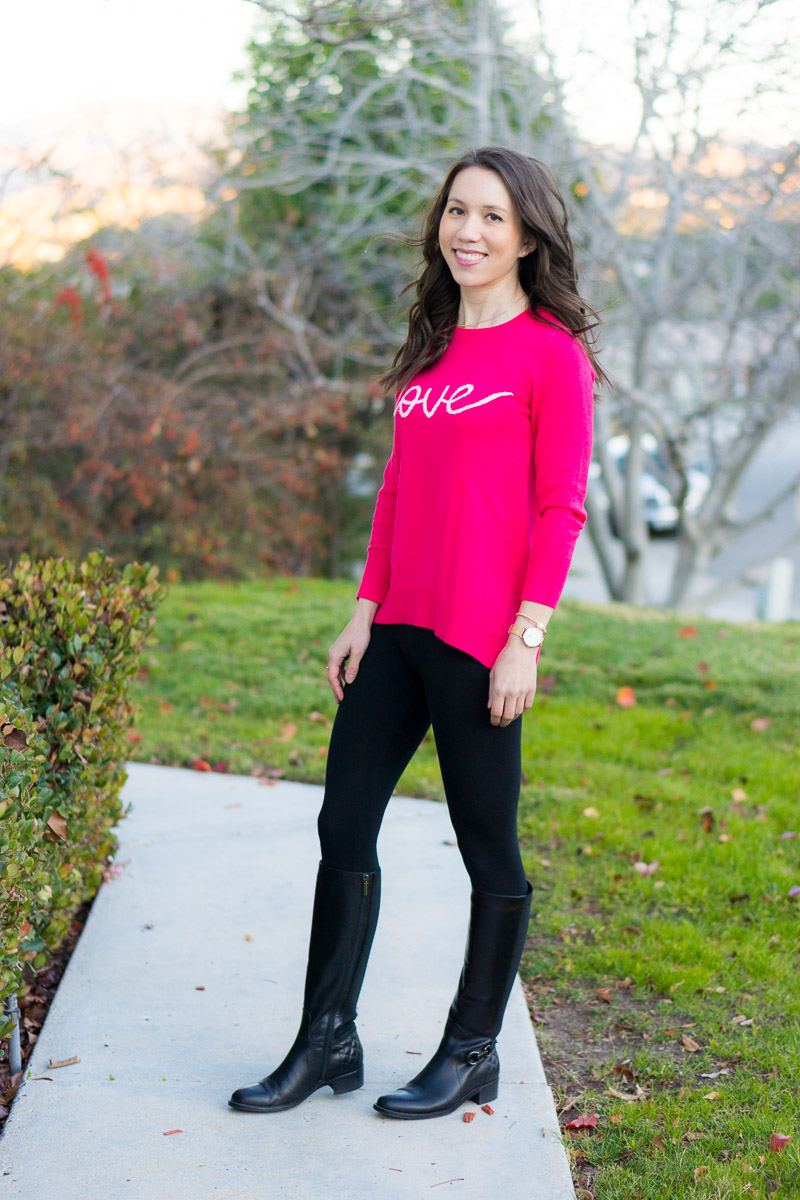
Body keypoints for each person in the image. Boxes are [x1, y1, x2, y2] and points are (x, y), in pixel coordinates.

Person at [228, 145, 607, 1121]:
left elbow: (559, 507)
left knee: (489, 848)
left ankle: (471, 1048)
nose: (466, 231)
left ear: (525, 236)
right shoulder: (433, 351)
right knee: (341, 823)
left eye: (488, 216)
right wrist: (361, 610)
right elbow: (397, 492)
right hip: (396, 629)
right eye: (455, 212)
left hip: (481, 641)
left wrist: (525, 637)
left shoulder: (548, 356)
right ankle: (326, 1041)